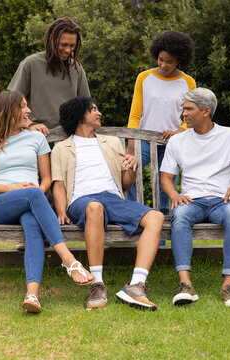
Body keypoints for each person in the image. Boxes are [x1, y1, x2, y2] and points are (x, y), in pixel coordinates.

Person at [0, 91, 94, 314]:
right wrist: (16, 188)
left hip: (31, 200)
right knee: (33, 195)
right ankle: (68, 259)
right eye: (23, 106)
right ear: (8, 111)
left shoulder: (36, 138)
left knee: (32, 221)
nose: (28, 111)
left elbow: (46, 179)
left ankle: (32, 294)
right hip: (1, 205)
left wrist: (35, 192)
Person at [51, 96, 165, 311]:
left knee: (156, 217)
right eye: (93, 109)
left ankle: (136, 285)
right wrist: (60, 211)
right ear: (79, 115)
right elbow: (58, 184)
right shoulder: (62, 148)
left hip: (112, 198)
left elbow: (125, 184)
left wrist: (131, 168)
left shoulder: (111, 142)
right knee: (95, 207)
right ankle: (97, 284)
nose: (99, 113)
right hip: (81, 201)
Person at [160, 88, 230, 308]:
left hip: (222, 201)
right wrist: (174, 195)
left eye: (188, 109)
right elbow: (166, 178)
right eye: (183, 108)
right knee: (180, 216)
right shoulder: (178, 141)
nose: (184, 113)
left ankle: (228, 286)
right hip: (191, 201)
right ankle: (185, 285)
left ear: (206, 111)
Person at [126, 30, 196, 218]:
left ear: (180, 60)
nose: (163, 65)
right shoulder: (144, 78)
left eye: (169, 62)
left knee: (165, 191)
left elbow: (190, 117)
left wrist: (180, 131)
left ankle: (163, 241)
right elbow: (135, 115)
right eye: (160, 59)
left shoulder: (188, 82)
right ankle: (133, 220)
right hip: (143, 141)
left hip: (171, 143)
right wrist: (132, 142)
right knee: (128, 177)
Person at [8, 17, 91, 135]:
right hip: (36, 137)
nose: (68, 50)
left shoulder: (76, 67)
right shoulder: (31, 64)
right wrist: (29, 124)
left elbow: (87, 107)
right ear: (52, 40)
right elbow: (10, 104)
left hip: (69, 139)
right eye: (64, 44)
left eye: (72, 46)